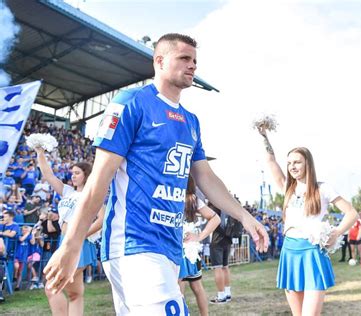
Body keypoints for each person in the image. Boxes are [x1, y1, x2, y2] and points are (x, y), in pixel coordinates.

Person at [43, 33, 268, 315]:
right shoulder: (131, 102)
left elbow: (206, 178)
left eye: (195, 60)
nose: (192, 66)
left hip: (169, 245)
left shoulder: (191, 120)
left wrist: (244, 215)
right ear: (159, 61)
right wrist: (71, 244)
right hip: (133, 242)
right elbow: (98, 180)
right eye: (184, 58)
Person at [257, 127, 358, 316]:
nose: (292, 167)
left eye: (297, 162)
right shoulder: (287, 187)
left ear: (308, 164)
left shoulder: (323, 189)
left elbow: (352, 213)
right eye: (289, 163)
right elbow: (271, 161)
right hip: (289, 252)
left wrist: (335, 233)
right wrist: (264, 136)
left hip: (312, 253)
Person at [35, 147, 103, 315]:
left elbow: (102, 219)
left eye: (77, 173)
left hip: (79, 244)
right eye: (72, 172)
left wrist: (80, 236)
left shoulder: (92, 193)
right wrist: (40, 152)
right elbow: (49, 175)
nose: (73, 175)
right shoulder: (67, 191)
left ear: (86, 175)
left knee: (52, 286)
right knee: (75, 293)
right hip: (63, 241)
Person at [179, 175, 220, 315]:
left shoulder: (191, 200)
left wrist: (199, 237)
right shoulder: (193, 200)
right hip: (189, 251)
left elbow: (215, 218)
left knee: (180, 289)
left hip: (185, 251)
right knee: (196, 287)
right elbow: (215, 218)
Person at [208, 203, 234, 304]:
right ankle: (227, 293)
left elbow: (211, 222)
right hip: (227, 239)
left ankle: (221, 295)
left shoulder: (214, 206)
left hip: (217, 240)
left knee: (218, 268)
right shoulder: (227, 205)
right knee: (225, 267)